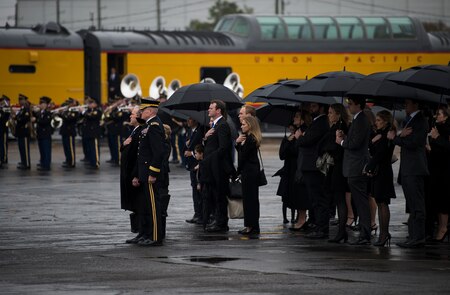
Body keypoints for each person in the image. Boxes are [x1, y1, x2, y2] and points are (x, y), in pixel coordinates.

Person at [387, 98, 429, 248]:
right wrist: (400, 135)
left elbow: (414, 143)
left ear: (416, 104)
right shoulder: (409, 120)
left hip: (415, 168)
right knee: (411, 204)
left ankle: (418, 237)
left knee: (417, 204)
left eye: (408, 103)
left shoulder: (420, 121)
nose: (405, 106)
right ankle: (413, 235)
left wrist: (397, 138)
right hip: (408, 168)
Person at [336, 97, 371, 245]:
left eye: (350, 104)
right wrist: (346, 137)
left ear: (358, 105)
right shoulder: (358, 119)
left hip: (356, 167)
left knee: (361, 202)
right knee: (359, 201)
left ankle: (365, 234)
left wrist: (342, 142)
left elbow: (356, 143)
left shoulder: (361, 120)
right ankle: (364, 232)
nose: (348, 107)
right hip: (353, 166)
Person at [133, 97, 165, 246]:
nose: (141, 112)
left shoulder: (155, 126)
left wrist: (153, 173)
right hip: (144, 172)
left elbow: (158, 152)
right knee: (146, 205)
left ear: (150, 111)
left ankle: (155, 237)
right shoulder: (148, 125)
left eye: (143, 110)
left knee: (153, 207)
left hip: (150, 173)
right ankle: (146, 234)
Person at [295, 103, 330, 239]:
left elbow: (306, 141)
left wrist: (300, 137)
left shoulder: (320, 123)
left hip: (313, 166)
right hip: (310, 166)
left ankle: (322, 228)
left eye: (314, 106)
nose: (311, 109)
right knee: (315, 199)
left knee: (318, 198)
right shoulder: (317, 122)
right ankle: (319, 226)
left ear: (321, 108)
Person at [317, 103, 350, 243]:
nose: (329, 115)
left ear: (338, 114)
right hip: (335, 168)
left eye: (331, 112)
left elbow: (337, 148)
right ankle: (342, 232)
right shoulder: (336, 127)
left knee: (340, 200)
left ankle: (342, 232)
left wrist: (333, 144)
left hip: (337, 168)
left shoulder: (340, 128)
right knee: (339, 200)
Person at [203, 99, 235, 233]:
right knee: (215, 195)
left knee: (220, 196)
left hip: (219, 168)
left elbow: (223, 148)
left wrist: (208, 159)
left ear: (218, 111)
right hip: (213, 167)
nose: (208, 110)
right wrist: (205, 138)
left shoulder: (222, 125)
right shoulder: (215, 126)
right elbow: (212, 146)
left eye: (211, 108)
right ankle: (218, 220)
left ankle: (221, 223)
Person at [365, 110, 396, 247]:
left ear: (385, 121)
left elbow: (380, 155)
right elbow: (372, 150)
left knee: (383, 203)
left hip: (383, 172)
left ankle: (384, 234)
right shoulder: (380, 135)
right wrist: (373, 141)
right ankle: (384, 234)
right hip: (380, 171)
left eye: (378, 120)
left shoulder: (387, 135)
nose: (375, 122)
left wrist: (368, 168)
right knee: (380, 202)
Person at [235, 116, 262, 237]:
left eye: (244, 124)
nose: (241, 126)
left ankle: (251, 226)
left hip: (249, 173)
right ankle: (252, 225)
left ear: (250, 126)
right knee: (250, 200)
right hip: (250, 172)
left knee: (250, 200)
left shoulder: (250, 139)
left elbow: (243, 157)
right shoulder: (250, 138)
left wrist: (238, 143)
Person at [428, 106, 450, 242]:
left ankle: (443, 227)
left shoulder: (447, 128)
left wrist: (437, 138)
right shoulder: (436, 126)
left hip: (446, 168)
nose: (437, 116)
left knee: (444, 199)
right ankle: (441, 226)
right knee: (437, 197)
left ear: (446, 115)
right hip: (436, 167)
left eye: (439, 114)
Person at [122, 106, 144, 241]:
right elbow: (125, 148)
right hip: (129, 172)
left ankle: (141, 232)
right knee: (135, 204)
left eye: (133, 114)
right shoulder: (134, 131)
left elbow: (138, 155)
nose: (130, 116)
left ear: (138, 117)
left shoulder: (140, 131)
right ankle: (138, 231)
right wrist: (123, 144)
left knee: (138, 204)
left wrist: (136, 174)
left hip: (134, 172)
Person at [184, 118, 206, 224]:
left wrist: (192, 153)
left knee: (199, 190)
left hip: (198, 164)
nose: (188, 121)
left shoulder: (201, 130)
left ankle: (201, 214)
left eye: (190, 119)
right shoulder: (190, 131)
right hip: (192, 165)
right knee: (194, 190)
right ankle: (197, 213)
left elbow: (202, 148)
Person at [34, 96, 53, 171]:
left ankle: (46, 165)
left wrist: (36, 120)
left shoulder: (48, 113)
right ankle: (43, 163)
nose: (40, 105)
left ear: (46, 105)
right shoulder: (41, 112)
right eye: (40, 103)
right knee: (42, 150)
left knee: (46, 151)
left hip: (45, 134)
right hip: (41, 134)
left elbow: (44, 122)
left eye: (42, 103)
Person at [82, 98, 102, 169]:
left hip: (94, 132)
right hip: (88, 132)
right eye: (89, 103)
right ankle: (92, 162)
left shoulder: (97, 111)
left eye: (91, 103)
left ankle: (96, 163)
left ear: (95, 104)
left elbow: (91, 117)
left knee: (95, 149)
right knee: (90, 148)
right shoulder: (88, 111)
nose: (89, 104)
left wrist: (83, 112)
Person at [60, 98, 80, 168]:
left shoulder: (75, 111)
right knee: (66, 147)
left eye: (69, 103)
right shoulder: (66, 110)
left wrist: (62, 113)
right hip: (64, 131)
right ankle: (68, 160)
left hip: (70, 131)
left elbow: (69, 118)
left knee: (70, 148)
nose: (68, 105)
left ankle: (72, 162)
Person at [14, 94, 31, 170]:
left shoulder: (26, 109)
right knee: (21, 148)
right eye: (19, 100)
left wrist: (17, 119)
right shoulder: (22, 108)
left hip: (24, 131)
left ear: (25, 100)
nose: (20, 101)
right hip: (20, 131)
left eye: (21, 100)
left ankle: (26, 163)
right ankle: (23, 162)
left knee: (25, 149)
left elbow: (25, 118)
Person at [0, 95, 11, 168]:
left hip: (3, 129)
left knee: (3, 144)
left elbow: (7, 115)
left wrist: (5, 106)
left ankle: (4, 158)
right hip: (1, 129)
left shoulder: (6, 108)